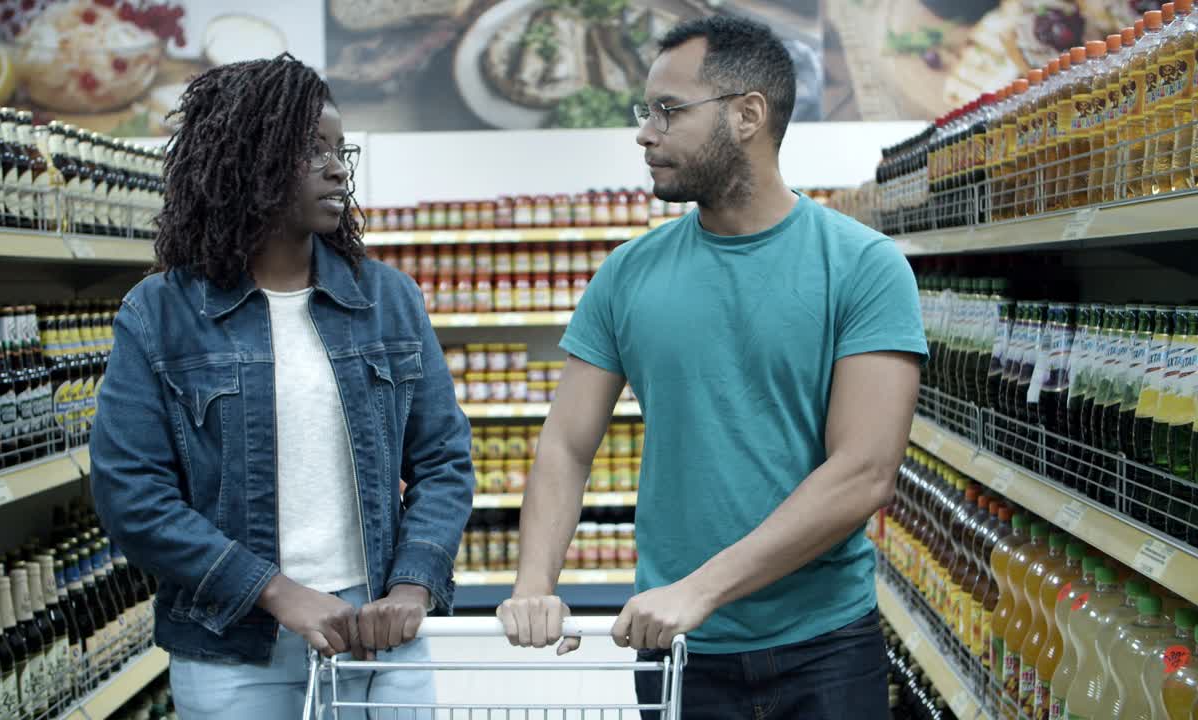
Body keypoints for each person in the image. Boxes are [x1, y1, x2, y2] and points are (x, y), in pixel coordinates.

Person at [495, 17, 926, 719]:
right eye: (645, 112)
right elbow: (566, 445)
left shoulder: (862, 267)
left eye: (668, 110)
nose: (645, 134)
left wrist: (701, 589)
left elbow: (863, 471)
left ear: (747, 115)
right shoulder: (627, 275)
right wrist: (534, 584)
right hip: (678, 651)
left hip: (823, 647)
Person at [89, 55, 474, 719]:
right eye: (311, 149)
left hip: (379, 633)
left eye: (339, 149)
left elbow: (444, 460)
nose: (338, 169)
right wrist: (276, 592)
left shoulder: (386, 299)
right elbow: (131, 494)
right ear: (248, 158)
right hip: (232, 642)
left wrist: (413, 585)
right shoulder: (160, 313)